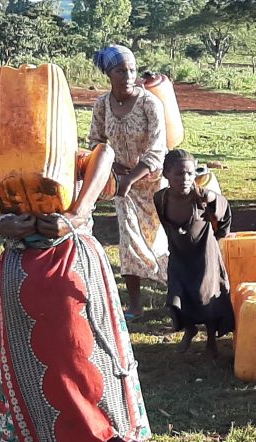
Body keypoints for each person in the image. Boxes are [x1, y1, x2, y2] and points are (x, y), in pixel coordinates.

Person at [0, 148, 151, 442]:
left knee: (90, 382)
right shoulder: (28, 147)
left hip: (66, 273)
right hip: (43, 280)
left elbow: (105, 155)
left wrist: (74, 215)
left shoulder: (43, 147)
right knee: (70, 385)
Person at [89, 44, 169, 318]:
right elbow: (96, 142)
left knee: (160, 240)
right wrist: (111, 168)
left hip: (153, 183)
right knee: (128, 239)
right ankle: (135, 305)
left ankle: (174, 297)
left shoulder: (149, 103)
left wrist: (133, 177)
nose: (128, 75)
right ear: (108, 74)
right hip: (122, 184)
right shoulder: (102, 104)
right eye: (121, 70)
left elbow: (159, 148)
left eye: (132, 69)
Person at [155, 149, 235, 358]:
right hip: (180, 255)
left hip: (204, 255)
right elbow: (167, 225)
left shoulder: (202, 197)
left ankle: (211, 341)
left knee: (206, 297)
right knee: (176, 296)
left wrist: (220, 235)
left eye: (190, 174)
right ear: (166, 174)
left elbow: (225, 211)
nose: (186, 179)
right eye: (179, 174)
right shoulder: (160, 199)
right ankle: (189, 328)